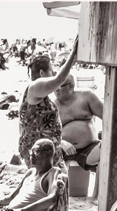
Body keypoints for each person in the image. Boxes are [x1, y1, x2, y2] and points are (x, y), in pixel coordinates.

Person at [19, 38, 78, 167]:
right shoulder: (35, 87)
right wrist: (73, 55)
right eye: (51, 70)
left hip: (48, 154)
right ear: (41, 73)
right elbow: (59, 80)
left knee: (58, 184)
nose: (53, 73)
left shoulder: (39, 94)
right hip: (41, 157)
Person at [54, 75, 103, 170]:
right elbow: (47, 133)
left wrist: (106, 136)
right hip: (61, 150)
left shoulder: (87, 96)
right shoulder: (53, 106)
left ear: (71, 86)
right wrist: (62, 143)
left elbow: (107, 117)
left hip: (89, 148)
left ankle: (100, 185)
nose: (56, 90)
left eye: (60, 85)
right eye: (54, 85)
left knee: (107, 150)